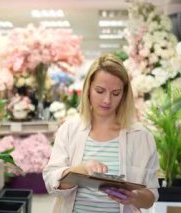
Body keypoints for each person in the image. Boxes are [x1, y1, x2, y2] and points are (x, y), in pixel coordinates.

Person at [43, 53, 159, 213]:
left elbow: (151, 197)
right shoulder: (69, 129)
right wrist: (78, 171)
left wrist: (134, 197)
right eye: (100, 91)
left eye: (115, 93)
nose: (107, 100)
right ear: (88, 89)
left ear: (124, 95)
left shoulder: (141, 137)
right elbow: (51, 181)